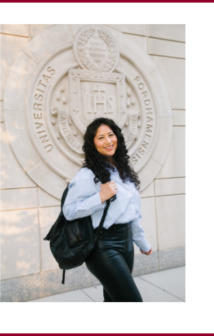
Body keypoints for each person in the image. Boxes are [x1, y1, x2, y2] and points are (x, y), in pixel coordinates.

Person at [62, 117, 152, 302]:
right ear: (93, 144)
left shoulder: (122, 171)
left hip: (126, 244)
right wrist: (100, 197)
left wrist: (141, 242)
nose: (108, 141)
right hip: (103, 247)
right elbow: (69, 211)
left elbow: (132, 213)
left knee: (113, 300)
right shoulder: (87, 175)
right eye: (101, 137)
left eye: (111, 135)